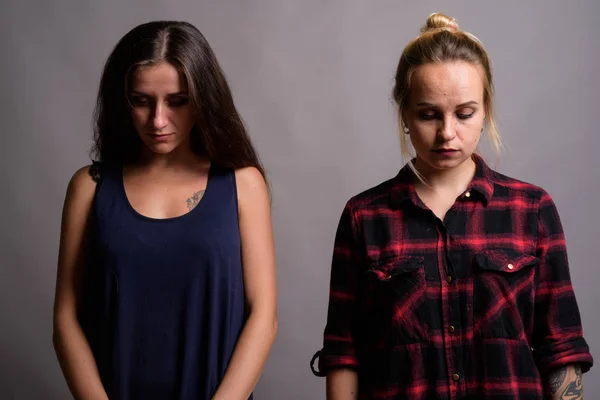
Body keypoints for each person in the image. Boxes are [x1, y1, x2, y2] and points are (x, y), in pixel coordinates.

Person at [311, 12, 593, 399]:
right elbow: (345, 352)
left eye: (464, 114)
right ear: (405, 114)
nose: (447, 133)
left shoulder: (532, 210)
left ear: (485, 111)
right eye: (428, 115)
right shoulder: (365, 217)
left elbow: (561, 349)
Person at [52, 21, 277, 400]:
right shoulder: (89, 188)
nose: (158, 120)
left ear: (203, 98)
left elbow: (263, 317)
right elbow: (66, 319)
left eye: (177, 101)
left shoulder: (243, 184)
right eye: (141, 100)